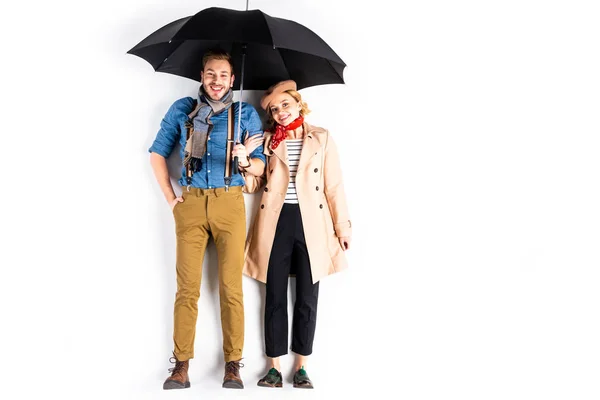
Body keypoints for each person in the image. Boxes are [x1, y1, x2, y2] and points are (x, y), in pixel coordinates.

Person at [148, 48, 266, 390]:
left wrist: (245, 159)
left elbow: (260, 165)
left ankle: (233, 365)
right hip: (191, 202)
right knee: (187, 289)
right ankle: (181, 366)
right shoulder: (184, 110)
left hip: (230, 202)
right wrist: (172, 200)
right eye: (211, 74)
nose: (217, 81)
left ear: (233, 79)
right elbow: (157, 154)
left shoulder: (245, 113)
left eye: (224, 75)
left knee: (231, 288)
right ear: (203, 76)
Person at [242, 80, 352, 389]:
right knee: (274, 295)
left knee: (308, 295)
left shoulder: (322, 137)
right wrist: (243, 160)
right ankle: (273, 368)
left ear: (298, 103)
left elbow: (334, 186)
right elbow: (252, 186)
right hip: (275, 222)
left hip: (313, 223)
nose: (280, 113)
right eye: (274, 109)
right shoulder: (266, 142)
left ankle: (301, 366)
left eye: (285, 105)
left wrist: (343, 227)